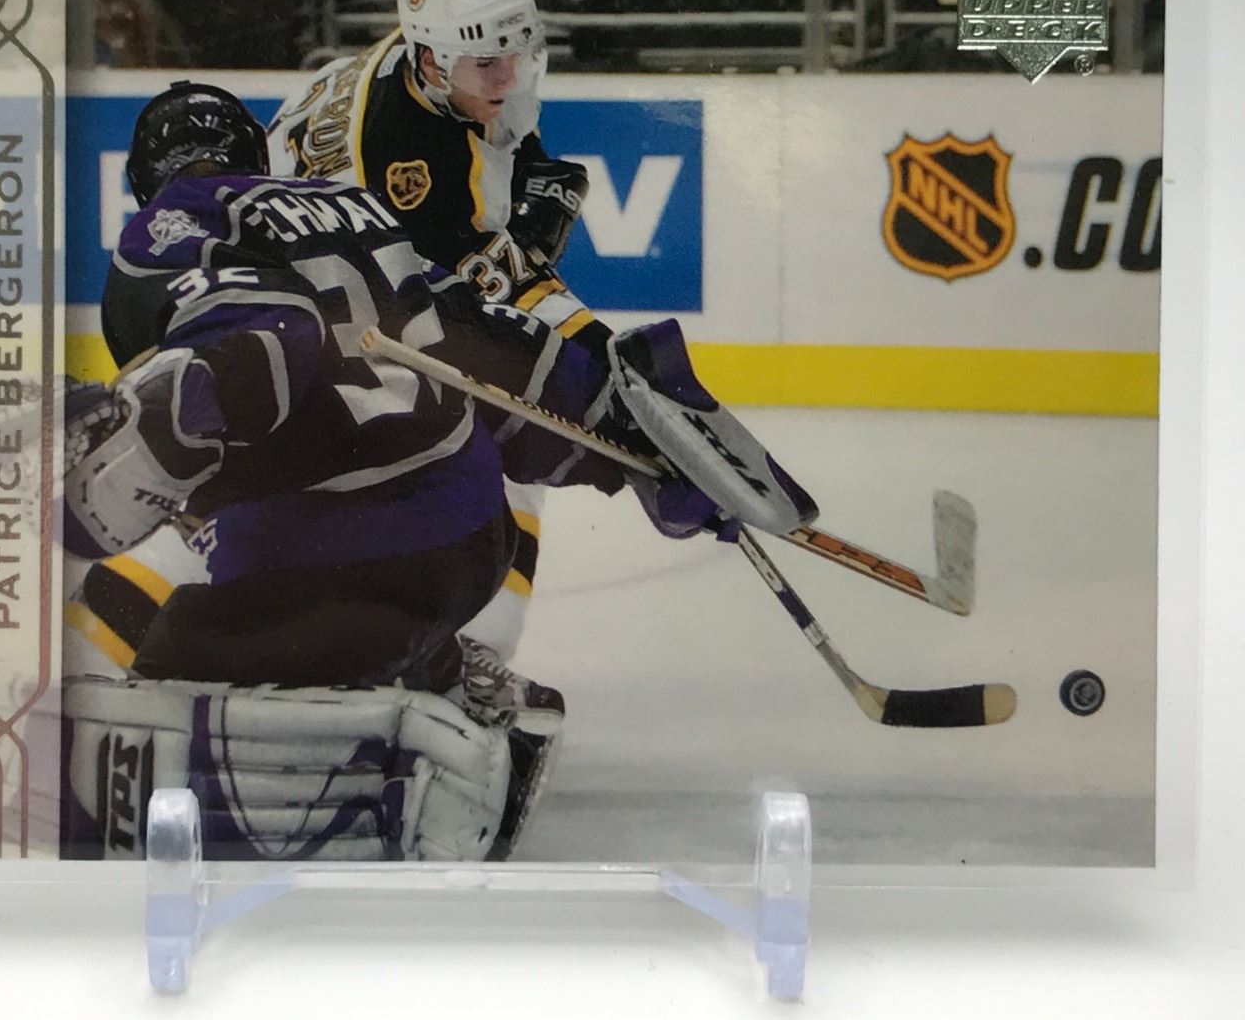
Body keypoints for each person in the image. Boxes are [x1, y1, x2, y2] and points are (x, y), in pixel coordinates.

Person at [59, 81, 813, 862]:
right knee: (343, 614)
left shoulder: (175, 222)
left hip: (318, 557)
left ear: (145, 179)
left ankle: (365, 766)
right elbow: (501, 355)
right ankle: (446, 674)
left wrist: (190, 399)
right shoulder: (361, 211)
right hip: (465, 547)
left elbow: (265, 338)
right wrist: (646, 455)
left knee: (181, 654)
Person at [265, 0, 603, 660]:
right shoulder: (397, 160)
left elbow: (499, 157)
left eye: (516, 57)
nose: (508, 78)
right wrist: (604, 362)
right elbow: (498, 295)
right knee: (504, 445)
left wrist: (531, 189)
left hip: (322, 294)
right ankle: (469, 654)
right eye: (488, 65)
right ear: (432, 62)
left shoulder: (434, 62)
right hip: (311, 326)